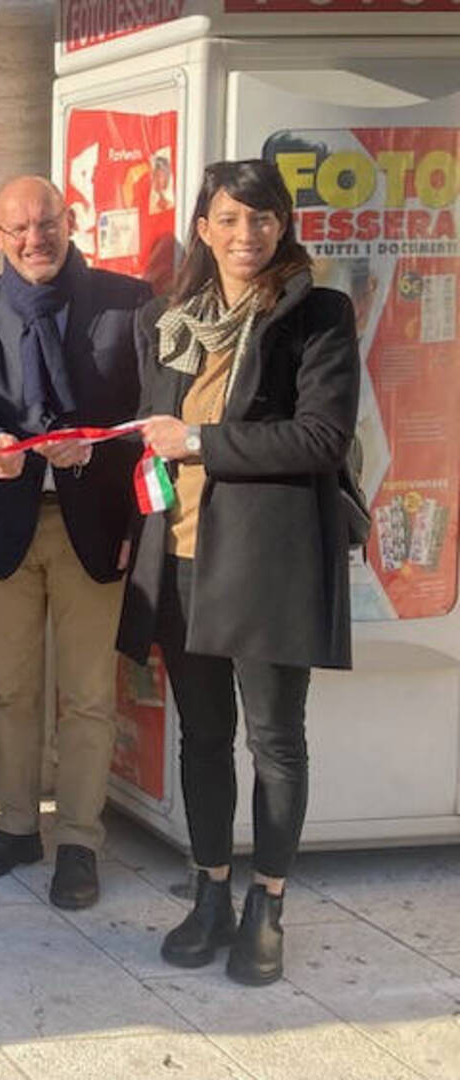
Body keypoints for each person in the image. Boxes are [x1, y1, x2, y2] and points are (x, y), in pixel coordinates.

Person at [123, 159, 359, 986]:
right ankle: (210, 889)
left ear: (282, 225)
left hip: (268, 561)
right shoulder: (169, 318)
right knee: (205, 739)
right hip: (183, 553)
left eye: (262, 218)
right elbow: (153, 429)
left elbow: (322, 439)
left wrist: (200, 442)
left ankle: (270, 903)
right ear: (202, 229)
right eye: (228, 219)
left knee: (274, 740)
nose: (246, 234)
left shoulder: (317, 313)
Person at [0, 176, 151, 910]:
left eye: (48, 223)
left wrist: (96, 451)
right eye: (20, 228)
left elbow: (147, 413)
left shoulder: (129, 302)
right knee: (8, 688)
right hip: (5, 522)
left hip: (94, 526)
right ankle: (16, 825)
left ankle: (80, 842)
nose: (37, 239)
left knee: (88, 696)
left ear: (71, 223)